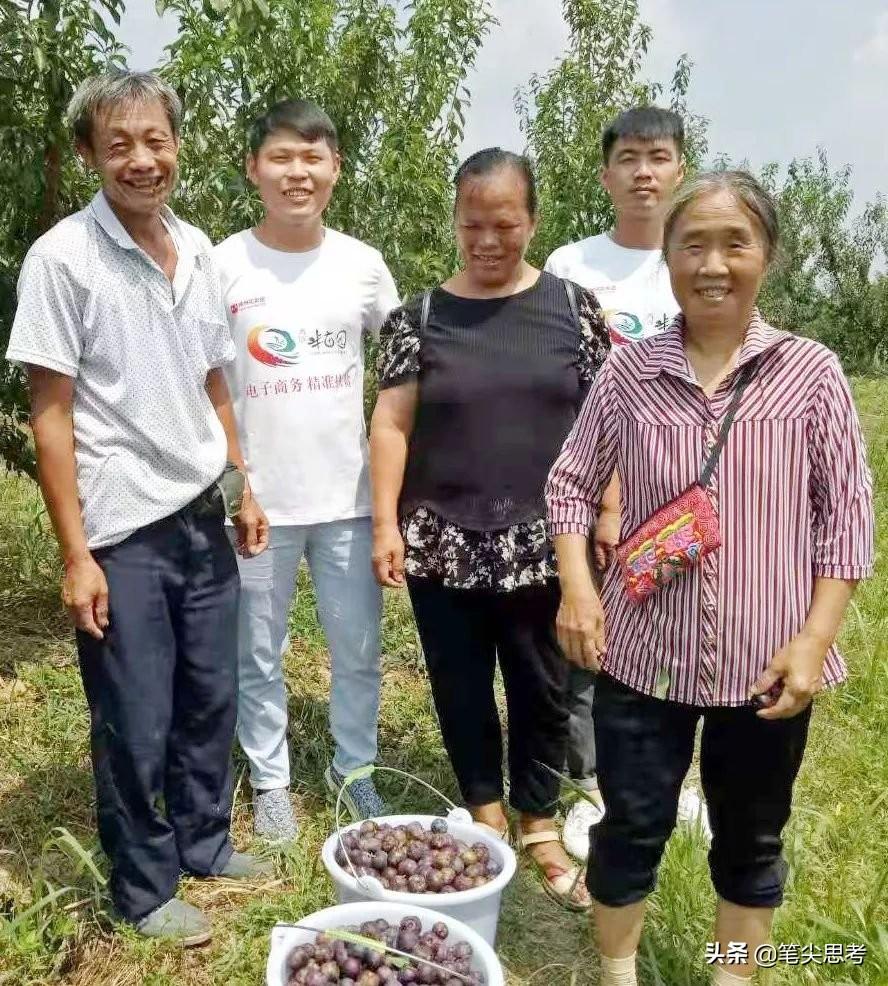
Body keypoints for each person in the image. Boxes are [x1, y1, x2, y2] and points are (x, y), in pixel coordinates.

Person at [546, 171, 874, 985]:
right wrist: (578, 590)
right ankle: (616, 974)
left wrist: (813, 639)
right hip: (642, 655)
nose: (714, 264)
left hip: (768, 664)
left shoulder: (811, 374)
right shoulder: (630, 374)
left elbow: (848, 520)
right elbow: (571, 484)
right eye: (694, 244)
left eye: (736, 243)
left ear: (767, 255)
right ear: (667, 258)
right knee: (631, 826)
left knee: (752, 837)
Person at [5, 72, 274, 946]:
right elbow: (49, 411)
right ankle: (142, 883)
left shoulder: (196, 250)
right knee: (134, 714)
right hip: (122, 526)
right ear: (89, 153)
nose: (141, 159)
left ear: (178, 145)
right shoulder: (62, 258)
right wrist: (75, 553)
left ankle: (204, 838)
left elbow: (212, 381)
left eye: (155, 139)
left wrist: (241, 480)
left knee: (209, 695)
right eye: (118, 144)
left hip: (202, 512)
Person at [370, 148, 610, 910]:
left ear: (532, 221)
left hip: (547, 541)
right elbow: (391, 425)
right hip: (441, 541)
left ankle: (538, 820)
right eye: (473, 224)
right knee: (460, 684)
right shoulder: (420, 317)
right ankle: (484, 812)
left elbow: (608, 422)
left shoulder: (575, 309)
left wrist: (607, 509)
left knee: (543, 686)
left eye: (504, 224)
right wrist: (385, 521)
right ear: (456, 222)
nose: (488, 240)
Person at [213, 99, 400, 838]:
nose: (298, 172)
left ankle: (354, 772)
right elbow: (210, 382)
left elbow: (408, 362)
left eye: (313, 158)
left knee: (357, 650)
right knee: (258, 652)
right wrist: (237, 485)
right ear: (254, 168)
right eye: (282, 157)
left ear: (335, 170)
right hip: (256, 503)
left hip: (349, 500)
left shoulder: (361, 264)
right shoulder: (222, 264)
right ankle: (271, 781)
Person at [545, 106, 685, 860]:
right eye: (628, 158)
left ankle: (666, 774)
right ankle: (590, 783)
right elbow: (566, 387)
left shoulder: (695, 257)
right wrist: (604, 494)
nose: (643, 172)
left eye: (657, 157)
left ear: (679, 170)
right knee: (591, 638)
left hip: (685, 492)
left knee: (680, 630)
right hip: (597, 485)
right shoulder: (575, 265)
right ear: (605, 174)